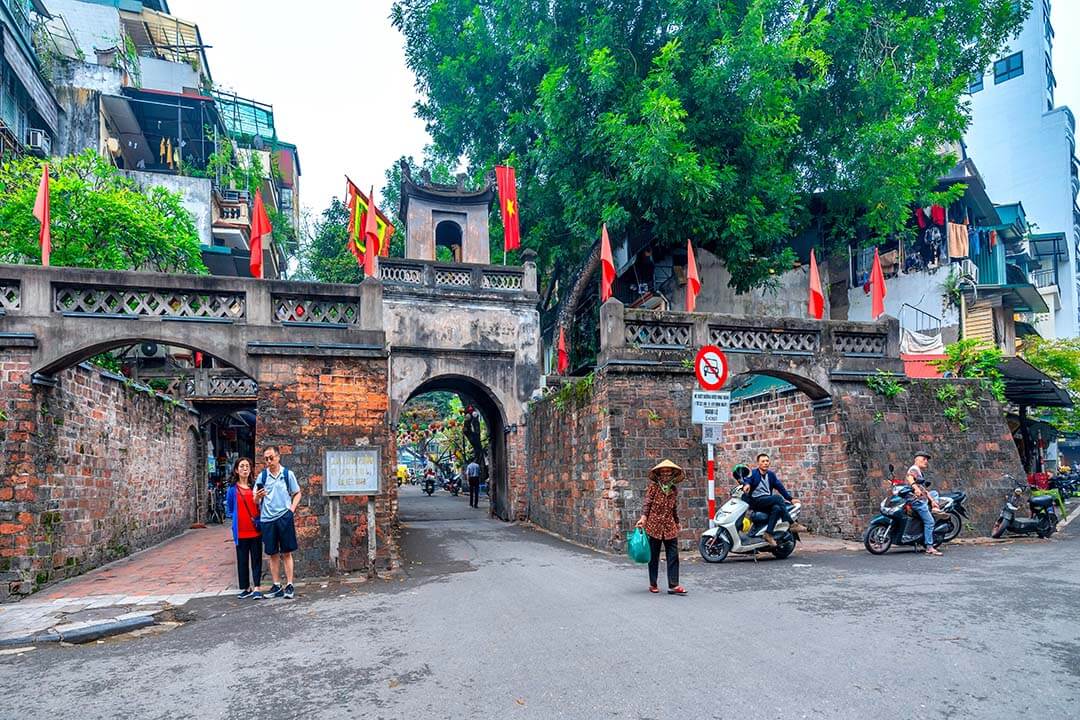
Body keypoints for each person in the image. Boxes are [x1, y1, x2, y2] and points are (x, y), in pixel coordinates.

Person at [255, 446, 302, 598]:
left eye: (271, 458)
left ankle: (289, 584)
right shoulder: (262, 477)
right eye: (266, 459)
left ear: (278, 457)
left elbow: (297, 493)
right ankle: (276, 585)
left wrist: (291, 510)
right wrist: (258, 497)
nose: (269, 461)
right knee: (272, 553)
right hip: (267, 519)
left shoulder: (287, 474)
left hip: (284, 516)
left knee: (286, 552)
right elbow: (254, 499)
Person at [635, 459, 687, 595]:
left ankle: (673, 585)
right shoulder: (653, 487)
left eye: (668, 472)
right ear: (658, 474)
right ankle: (653, 583)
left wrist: (677, 522)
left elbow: (673, 508)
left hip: (669, 525)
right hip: (654, 525)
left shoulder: (673, 490)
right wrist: (643, 518)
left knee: (673, 555)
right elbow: (647, 503)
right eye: (663, 472)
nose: (666, 474)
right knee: (653, 556)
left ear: (672, 474)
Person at [741, 453, 806, 547]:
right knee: (778, 498)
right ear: (758, 463)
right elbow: (748, 480)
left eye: (767, 461)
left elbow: (780, 487)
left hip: (767, 501)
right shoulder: (754, 473)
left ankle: (768, 533)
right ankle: (791, 523)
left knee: (777, 508)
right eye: (763, 461)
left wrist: (790, 499)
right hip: (756, 501)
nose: (765, 463)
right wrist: (747, 485)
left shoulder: (771, 475)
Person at [225, 458, 263, 599]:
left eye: (247, 466)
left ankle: (257, 587)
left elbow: (260, 505)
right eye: (242, 466)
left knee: (256, 559)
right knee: (242, 560)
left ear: (251, 469)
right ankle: (246, 587)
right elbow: (229, 508)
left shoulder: (256, 487)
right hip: (240, 530)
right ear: (236, 470)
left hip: (255, 529)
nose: (245, 469)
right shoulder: (232, 489)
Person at [906, 451, 942, 556]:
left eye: (927, 460)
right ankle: (929, 547)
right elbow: (909, 477)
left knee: (934, 493)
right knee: (930, 522)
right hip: (917, 501)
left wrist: (933, 501)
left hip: (922, 499)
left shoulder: (919, 472)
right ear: (916, 459)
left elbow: (925, 491)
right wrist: (915, 488)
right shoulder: (914, 469)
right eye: (924, 459)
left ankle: (935, 509)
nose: (926, 461)